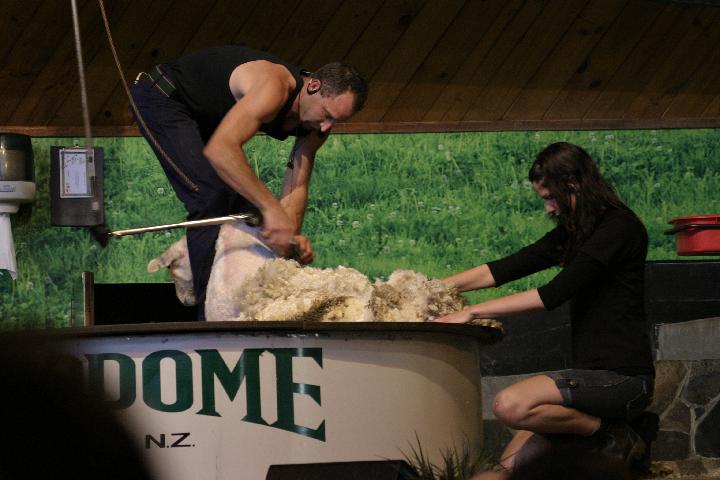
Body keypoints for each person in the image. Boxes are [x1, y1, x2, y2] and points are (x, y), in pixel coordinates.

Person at [435, 142, 657, 472]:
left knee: (510, 405)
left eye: (550, 198)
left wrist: (473, 312)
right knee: (505, 467)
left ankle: (613, 433)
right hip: (589, 381)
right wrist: (428, 287)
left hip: (621, 380)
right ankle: (601, 431)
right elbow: (506, 268)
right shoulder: (576, 231)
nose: (549, 209)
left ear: (574, 184)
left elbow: (553, 293)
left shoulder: (620, 228)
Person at [130, 45, 368, 319]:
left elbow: (297, 185)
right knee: (211, 198)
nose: (326, 128)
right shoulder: (273, 87)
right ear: (313, 86)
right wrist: (272, 210)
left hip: (207, 120)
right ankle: (209, 318)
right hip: (164, 99)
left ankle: (218, 288)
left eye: (336, 122)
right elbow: (221, 149)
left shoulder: (316, 127)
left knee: (250, 215)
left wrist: (287, 239)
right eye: (327, 115)